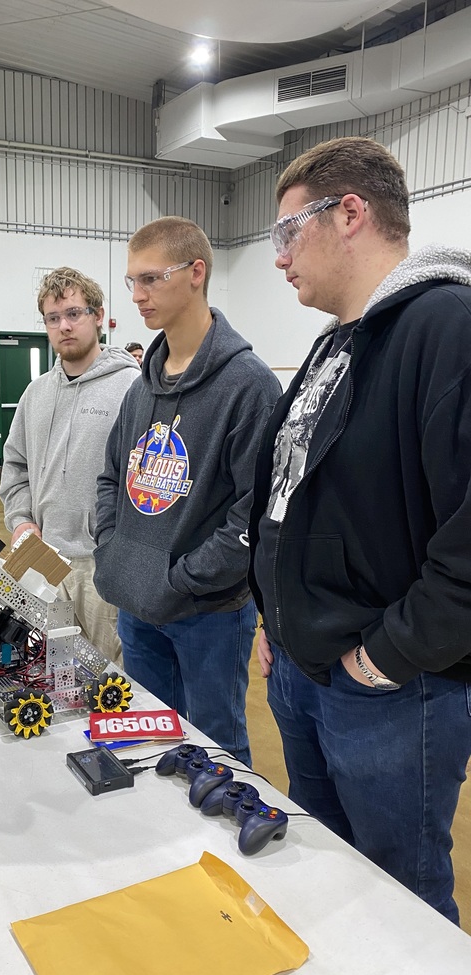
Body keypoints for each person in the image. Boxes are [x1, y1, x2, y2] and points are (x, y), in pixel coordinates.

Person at [247, 136, 471, 924]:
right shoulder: (334, 344)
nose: (278, 259)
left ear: (350, 213)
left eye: (286, 234)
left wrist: (388, 656)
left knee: (402, 908)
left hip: (389, 691)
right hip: (305, 672)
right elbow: (286, 498)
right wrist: (274, 613)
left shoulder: (448, 325)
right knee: (331, 887)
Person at [94, 216, 280, 764]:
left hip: (209, 613)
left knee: (216, 752)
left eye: (151, 279)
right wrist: (113, 547)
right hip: (137, 603)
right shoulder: (142, 385)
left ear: (196, 273)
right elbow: (111, 476)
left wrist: (184, 578)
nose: (137, 296)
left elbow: (257, 508)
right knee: (151, 741)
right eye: (131, 282)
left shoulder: (248, 385)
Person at [0, 268, 139, 663]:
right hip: (45, 562)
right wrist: (22, 520)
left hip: (102, 567)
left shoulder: (131, 387)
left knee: (109, 681)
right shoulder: (36, 393)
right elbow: (16, 467)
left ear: (98, 316)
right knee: (55, 674)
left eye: (75, 313)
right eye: (53, 318)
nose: (64, 326)